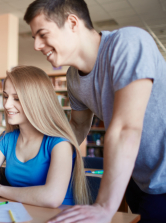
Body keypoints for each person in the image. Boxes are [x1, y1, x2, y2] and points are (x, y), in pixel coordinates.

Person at [24, 0, 166, 222]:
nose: (37, 45)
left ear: (72, 22)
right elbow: (78, 126)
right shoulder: (73, 77)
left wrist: (103, 206)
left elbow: (126, 129)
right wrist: (45, 157)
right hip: (136, 177)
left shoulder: (127, 43)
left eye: (42, 34)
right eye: (34, 38)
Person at [0, 66, 89, 208]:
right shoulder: (7, 139)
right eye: (6, 96)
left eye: (17, 98)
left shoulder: (60, 143)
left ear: (36, 101)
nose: (7, 104)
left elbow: (52, 198)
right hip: (22, 214)